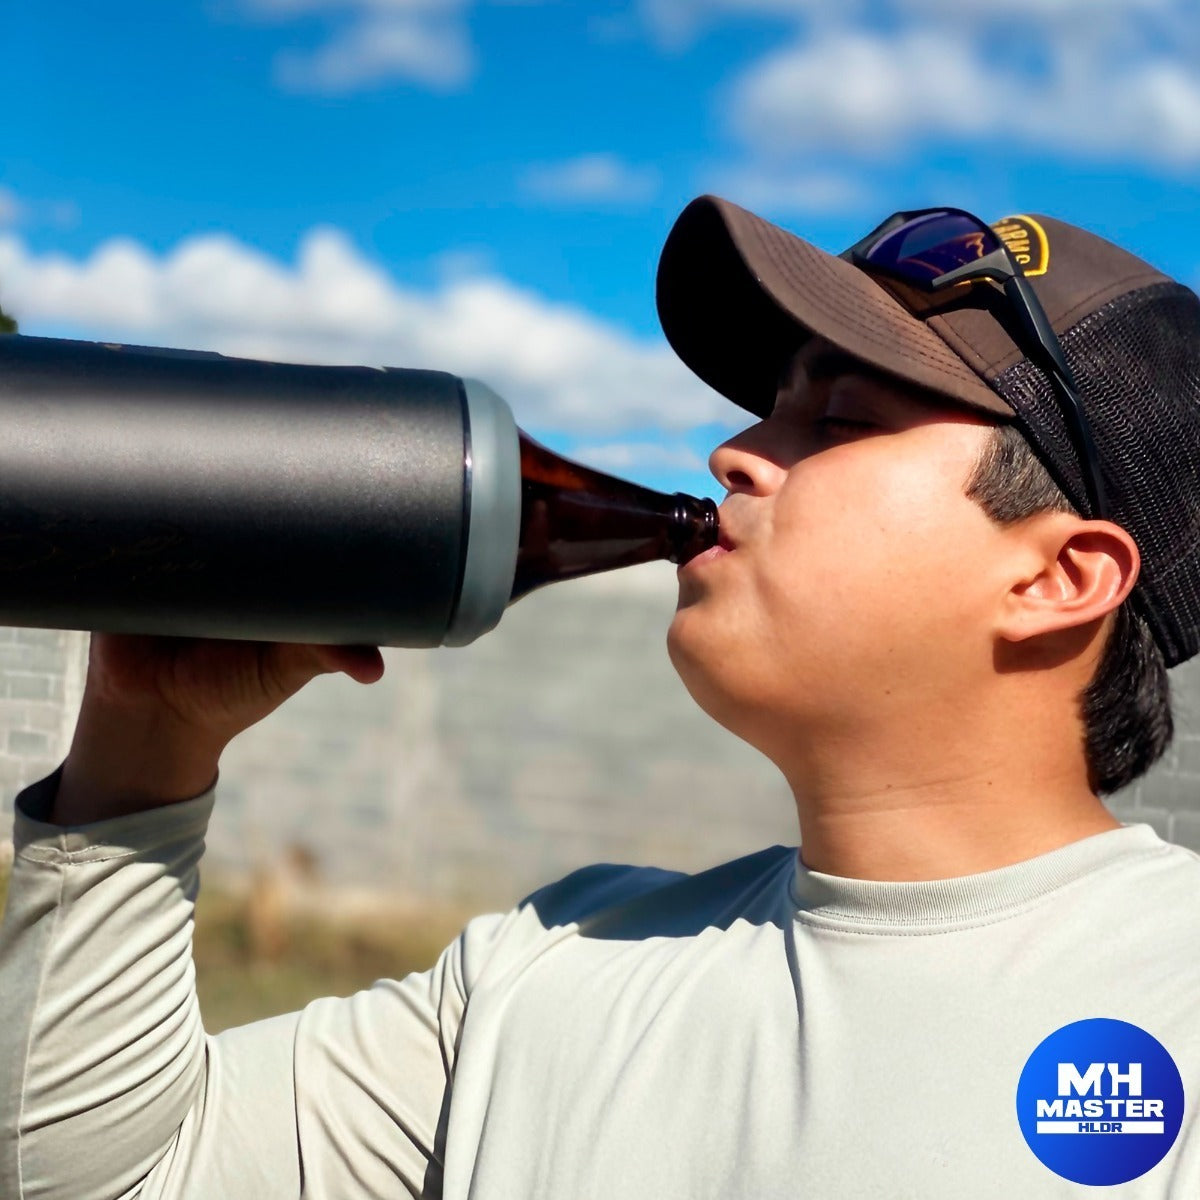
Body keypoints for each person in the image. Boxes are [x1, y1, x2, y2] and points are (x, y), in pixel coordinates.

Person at [1, 198, 1198, 1198]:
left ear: (1058, 576)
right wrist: (145, 739)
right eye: (768, 403)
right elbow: (106, 1177)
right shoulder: (550, 966)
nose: (733, 451)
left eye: (835, 417)